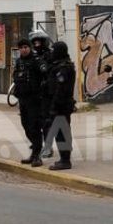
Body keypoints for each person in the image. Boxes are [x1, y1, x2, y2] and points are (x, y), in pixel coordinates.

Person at [11, 39, 45, 166]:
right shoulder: (19, 62)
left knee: (34, 127)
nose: (23, 49)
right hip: (23, 99)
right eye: (21, 47)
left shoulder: (36, 60)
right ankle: (34, 152)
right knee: (26, 126)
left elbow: (44, 74)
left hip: (34, 99)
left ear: (30, 48)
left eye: (26, 47)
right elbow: (15, 76)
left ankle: (37, 155)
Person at [44, 40, 76, 171]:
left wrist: (54, 107)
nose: (52, 52)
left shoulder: (63, 68)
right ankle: (64, 158)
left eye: (54, 50)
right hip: (60, 104)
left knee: (62, 132)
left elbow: (61, 90)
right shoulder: (58, 65)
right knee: (60, 132)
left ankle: (65, 160)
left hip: (61, 105)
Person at [28, 29, 54, 159]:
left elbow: (51, 73)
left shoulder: (50, 56)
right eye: (35, 42)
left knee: (46, 122)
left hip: (46, 94)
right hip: (33, 95)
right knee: (33, 122)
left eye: (39, 42)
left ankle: (48, 146)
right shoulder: (32, 57)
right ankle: (37, 144)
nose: (36, 44)